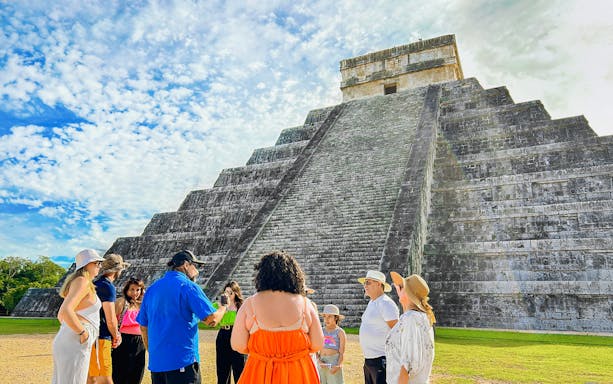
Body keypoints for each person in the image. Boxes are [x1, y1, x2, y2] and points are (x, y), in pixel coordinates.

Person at [231, 250, 324, 384]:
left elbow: (238, 345)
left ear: (262, 275)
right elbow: (317, 344)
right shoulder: (305, 304)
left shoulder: (249, 304)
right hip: (298, 373)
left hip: (260, 371)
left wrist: (262, 352)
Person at [136, 250, 226, 384]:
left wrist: (153, 351)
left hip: (157, 363)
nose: (197, 270)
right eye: (195, 266)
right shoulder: (188, 286)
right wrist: (223, 307)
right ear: (185, 265)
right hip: (182, 360)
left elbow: (143, 326)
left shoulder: (152, 289)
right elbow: (211, 320)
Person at [52, 248, 105, 384]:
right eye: (97, 263)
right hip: (76, 338)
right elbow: (65, 310)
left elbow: (60, 314)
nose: (99, 267)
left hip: (71, 337)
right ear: (88, 264)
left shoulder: (80, 281)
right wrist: (82, 332)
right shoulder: (82, 281)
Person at [385, 272, 436, 384]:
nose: (398, 289)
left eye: (402, 287)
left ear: (408, 293)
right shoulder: (422, 317)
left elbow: (407, 366)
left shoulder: (410, 318)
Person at [88, 253, 130, 384]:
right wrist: (116, 335)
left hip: (91, 335)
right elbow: (110, 318)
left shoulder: (94, 283)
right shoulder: (107, 286)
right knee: (104, 378)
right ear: (117, 271)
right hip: (101, 337)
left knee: (91, 378)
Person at [358, 270, 399, 384]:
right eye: (365, 283)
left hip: (381, 359)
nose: (365, 286)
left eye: (368, 282)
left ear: (379, 284)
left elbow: (397, 332)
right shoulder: (372, 302)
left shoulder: (386, 304)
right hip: (369, 359)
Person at [112, 277, 146, 384]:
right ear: (126, 290)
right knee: (120, 373)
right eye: (132, 289)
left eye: (138, 290)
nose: (135, 293)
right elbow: (111, 320)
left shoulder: (142, 305)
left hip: (140, 342)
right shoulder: (121, 302)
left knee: (137, 373)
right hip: (124, 341)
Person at [213, 281, 246, 384]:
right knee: (222, 369)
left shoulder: (241, 306)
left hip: (237, 334)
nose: (227, 295)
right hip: (223, 334)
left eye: (230, 292)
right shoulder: (219, 306)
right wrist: (222, 307)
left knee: (239, 368)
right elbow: (210, 317)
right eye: (226, 292)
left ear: (236, 293)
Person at [317, 304, 347, 384]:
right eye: (325, 316)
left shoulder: (340, 332)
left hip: (334, 363)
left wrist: (338, 365)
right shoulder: (321, 331)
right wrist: (318, 361)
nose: (326, 319)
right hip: (322, 362)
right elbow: (315, 349)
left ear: (336, 318)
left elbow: (341, 353)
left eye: (329, 316)